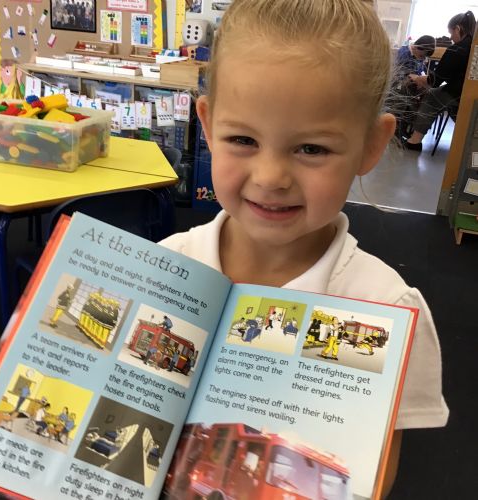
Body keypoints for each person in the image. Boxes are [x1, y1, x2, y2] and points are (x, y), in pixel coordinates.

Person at [159, 0, 448, 495]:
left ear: (371, 145)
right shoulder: (165, 267)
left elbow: (370, 476)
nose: (271, 177)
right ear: (206, 124)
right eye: (243, 139)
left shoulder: (385, 309)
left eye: (311, 148)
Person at [403, 11, 477, 151]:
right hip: (468, 92)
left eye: (451, 33)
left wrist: (417, 78)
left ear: (458, 29)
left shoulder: (457, 49)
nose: (451, 37)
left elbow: (434, 80)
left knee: (431, 96)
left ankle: (414, 141)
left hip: (459, 93)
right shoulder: (473, 45)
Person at [392, 35, 436, 138]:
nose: (423, 59)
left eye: (424, 57)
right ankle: (398, 126)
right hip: (399, 83)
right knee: (404, 90)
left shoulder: (418, 55)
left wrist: (420, 78)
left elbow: (420, 70)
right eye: (422, 56)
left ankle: (410, 125)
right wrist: (410, 76)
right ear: (417, 47)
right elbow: (398, 72)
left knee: (426, 93)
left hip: (411, 84)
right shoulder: (404, 53)